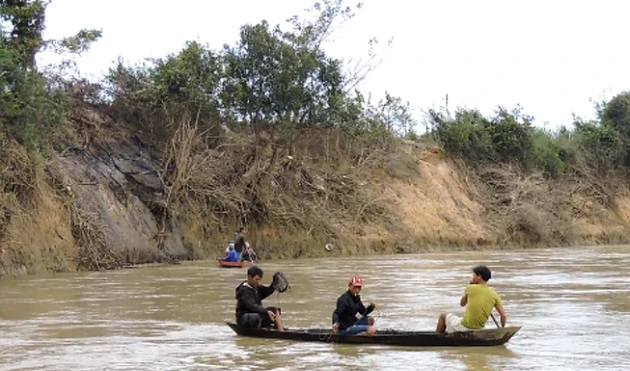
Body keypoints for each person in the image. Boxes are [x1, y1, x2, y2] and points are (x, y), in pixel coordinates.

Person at [436, 265, 507, 333]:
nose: (472, 277)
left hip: (465, 327)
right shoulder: (494, 294)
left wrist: (471, 284)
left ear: (479, 277)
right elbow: (503, 316)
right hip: (480, 328)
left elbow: (462, 304)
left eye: (474, 275)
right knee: (460, 319)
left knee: (443, 316)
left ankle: (436, 338)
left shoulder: (470, 288)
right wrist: (502, 328)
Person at [235, 266, 284, 331]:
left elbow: (266, 291)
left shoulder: (256, 287)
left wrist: (274, 284)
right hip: (244, 318)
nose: (258, 282)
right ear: (249, 277)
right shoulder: (244, 291)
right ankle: (258, 331)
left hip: (256, 314)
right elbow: (252, 306)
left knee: (275, 310)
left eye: (259, 279)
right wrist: (266, 311)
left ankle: (280, 330)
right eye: (256, 279)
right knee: (255, 317)